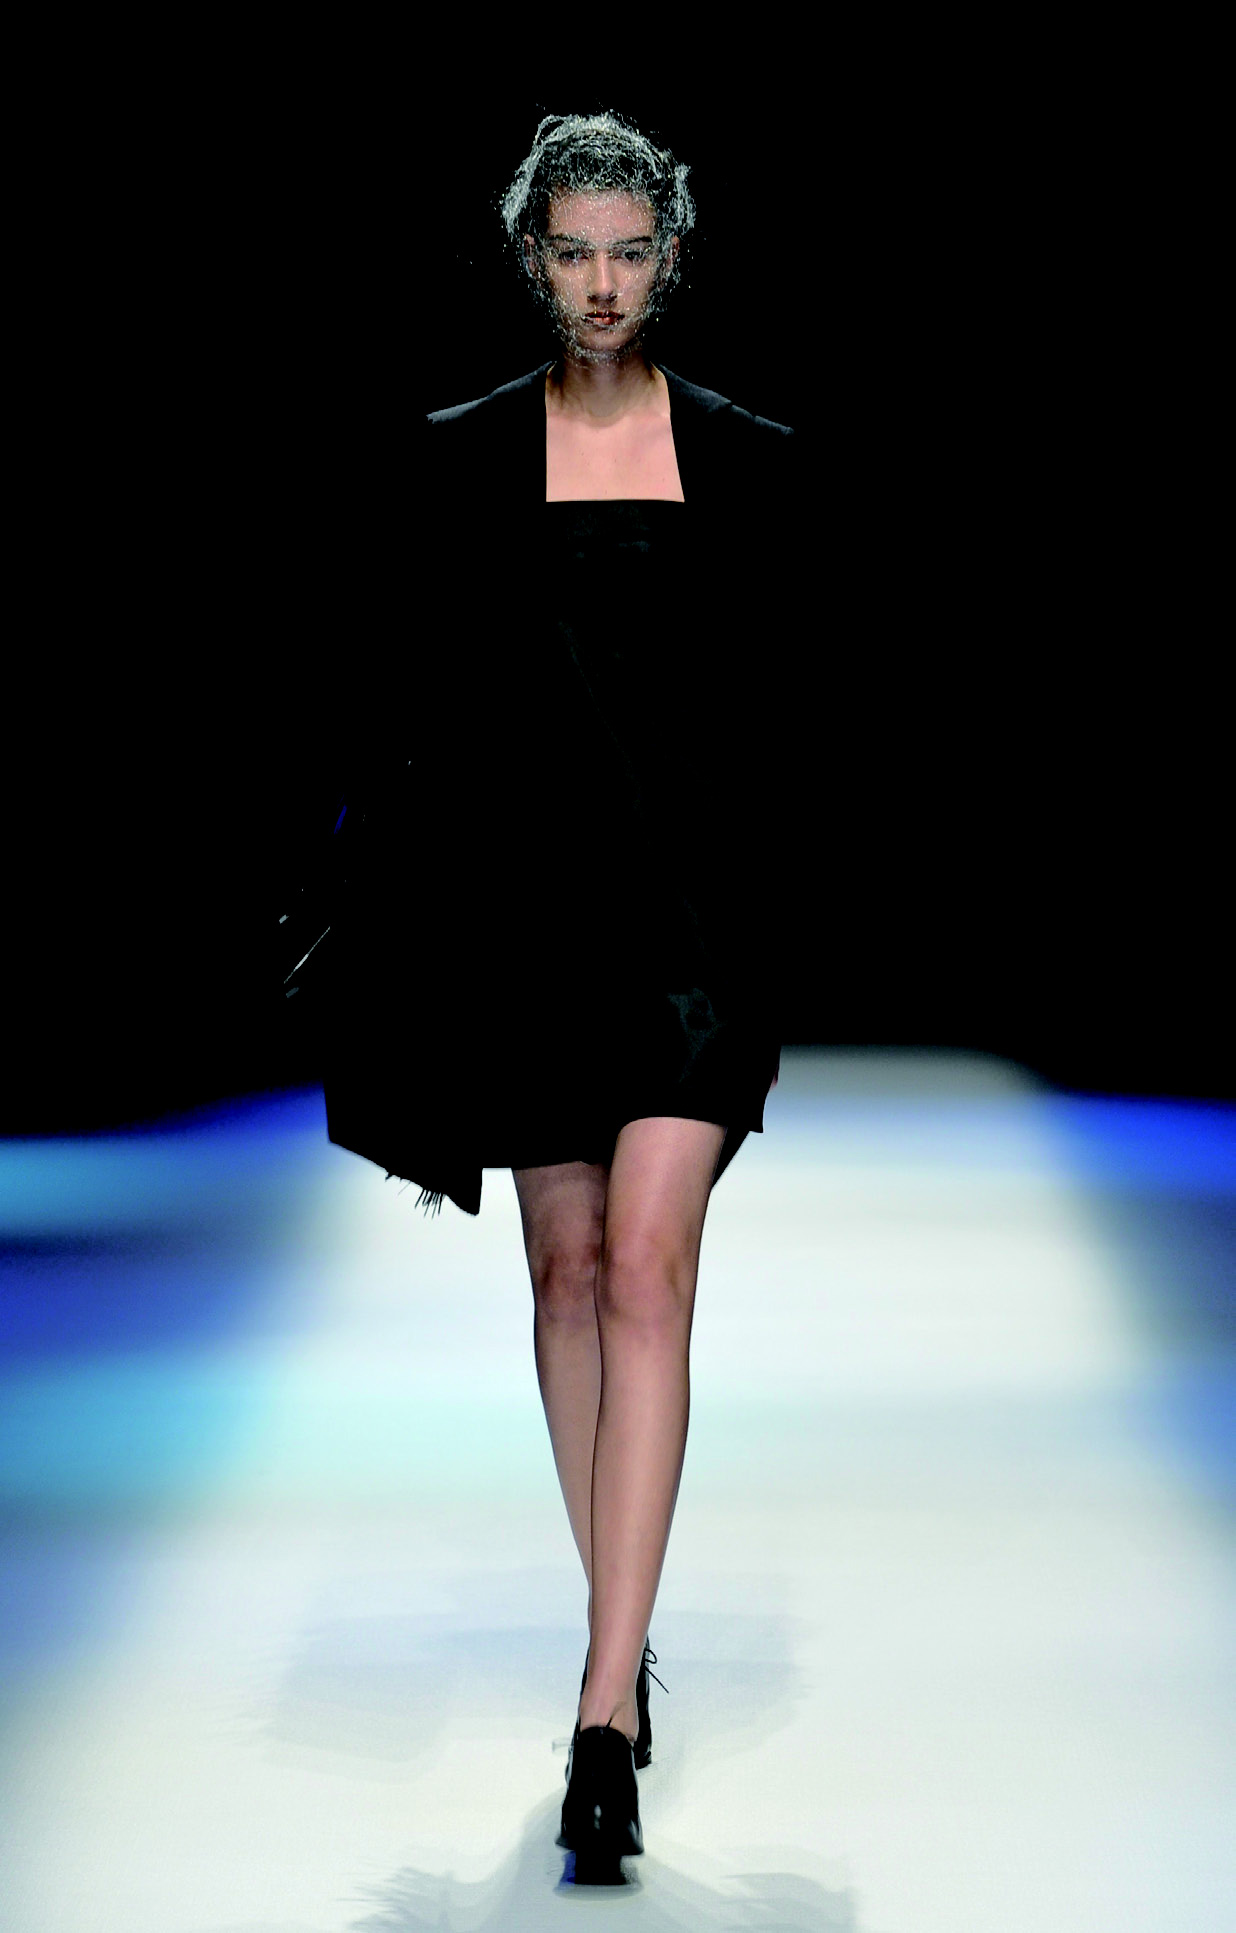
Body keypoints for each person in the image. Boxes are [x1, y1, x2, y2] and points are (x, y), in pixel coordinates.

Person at [314, 109, 802, 1877]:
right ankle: (625, 1621)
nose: (603, 284)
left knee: (651, 1264)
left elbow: (798, 722)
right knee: (569, 1272)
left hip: (694, 937)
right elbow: (411, 717)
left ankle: (603, 1713)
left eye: (631, 251)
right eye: (574, 252)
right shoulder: (456, 460)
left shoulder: (748, 461)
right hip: (526, 930)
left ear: (672, 257)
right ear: (534, 259)